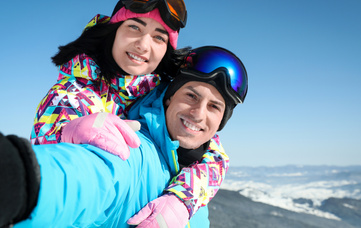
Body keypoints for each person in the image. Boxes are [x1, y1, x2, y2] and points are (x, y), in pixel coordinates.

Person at [29, 0, 231, 222]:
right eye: (135, 27)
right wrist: (65, 132)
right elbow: (53, 172)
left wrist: (182, 200)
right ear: (115, 30)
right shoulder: (71, 94)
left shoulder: (164, 92)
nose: (143, 45)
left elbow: (213, 153)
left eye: (158, 38)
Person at [0, 46, 248, 228]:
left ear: (221, 122)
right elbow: (84, 176)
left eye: (214, 107)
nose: (198, 114)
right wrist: (18, 176)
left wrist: (183, 201)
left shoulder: (198, 179)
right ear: (169, 97)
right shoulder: (131, 147)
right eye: (191, 96)